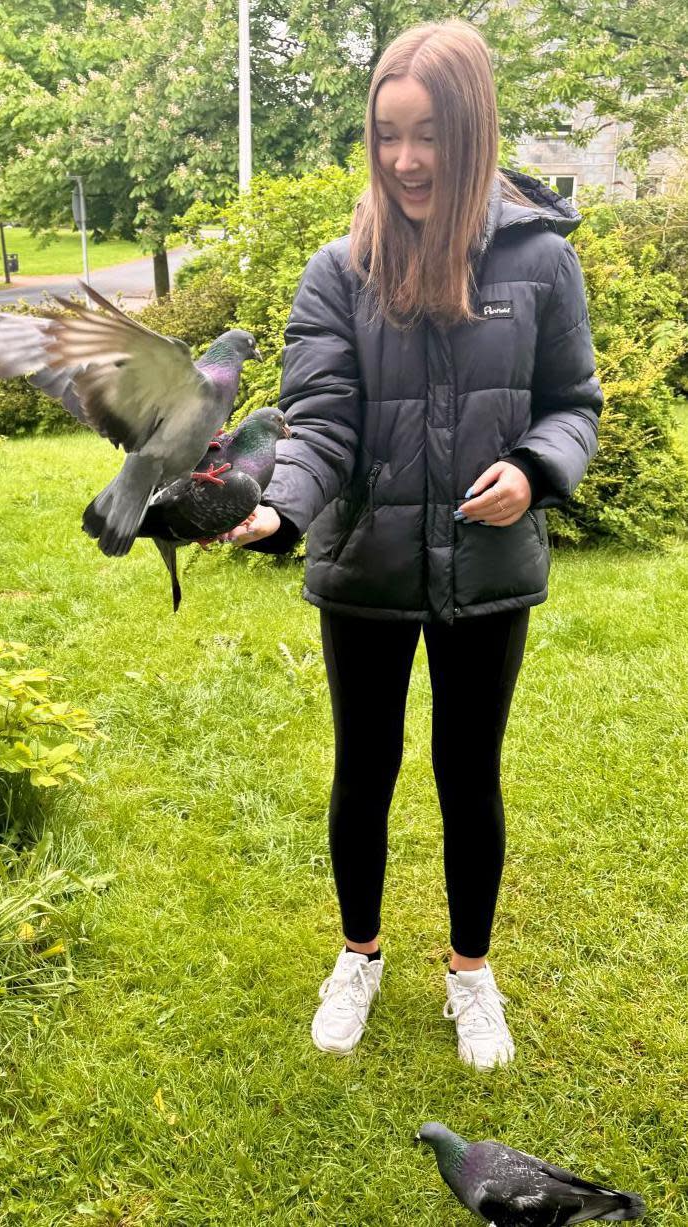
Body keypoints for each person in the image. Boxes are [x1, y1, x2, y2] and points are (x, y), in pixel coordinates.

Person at [223, 19, 602, 1069]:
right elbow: (322, 420)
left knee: (466, 771)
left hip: (488, 571)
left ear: (469, 130)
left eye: (426, 133)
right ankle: (358, 955)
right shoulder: (338, 270)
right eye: (386, 135)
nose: (403, 159)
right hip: (366, 567)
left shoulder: (540, 260)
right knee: (365, 767)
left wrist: (532, 469)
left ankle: (469, 973)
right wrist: (281, 506)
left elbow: (571, 403)